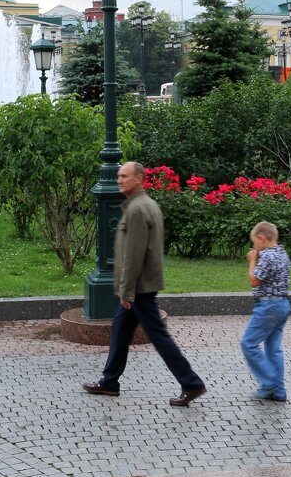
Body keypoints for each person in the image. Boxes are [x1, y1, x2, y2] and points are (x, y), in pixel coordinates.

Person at [83, 162, 207, 406]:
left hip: (139, 287)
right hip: (141, 285)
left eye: (124, 176)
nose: (119, 180)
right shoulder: (144, 204)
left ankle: (191, 383)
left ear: (139, 179)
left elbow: (134, 254)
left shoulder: (138, 209)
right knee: (120, 330)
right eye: (118, 176)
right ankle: (109, 381)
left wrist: (126, 291)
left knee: (159, 336)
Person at [240, 221, 291, 402]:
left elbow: (255, 280)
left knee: (248, 344)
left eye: (255, 242)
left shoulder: (268, 256)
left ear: (261, 238)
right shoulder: (282, 254)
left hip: (268, 307)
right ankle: (279, 390)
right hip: (282, 305)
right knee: (273, 348)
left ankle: (270, 383)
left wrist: (252, 261)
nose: (255, 246)